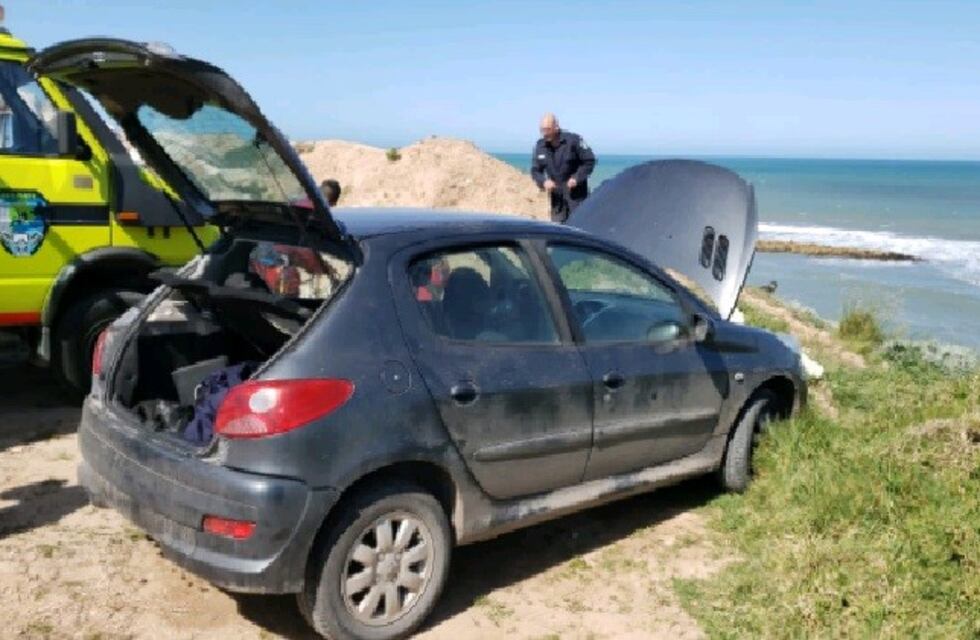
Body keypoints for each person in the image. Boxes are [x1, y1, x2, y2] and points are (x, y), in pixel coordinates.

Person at [530, 113, 596, 223]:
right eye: (542, 130)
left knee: (578, 228)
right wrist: (544, 181)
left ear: (556, 127)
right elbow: (535, 170)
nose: (544, 133)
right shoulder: (540, 146)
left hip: (576, 197)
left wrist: (576, 178)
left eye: (547, 129)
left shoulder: (573, 140)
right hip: (557, 199)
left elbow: (589, 161)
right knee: (558, 231)